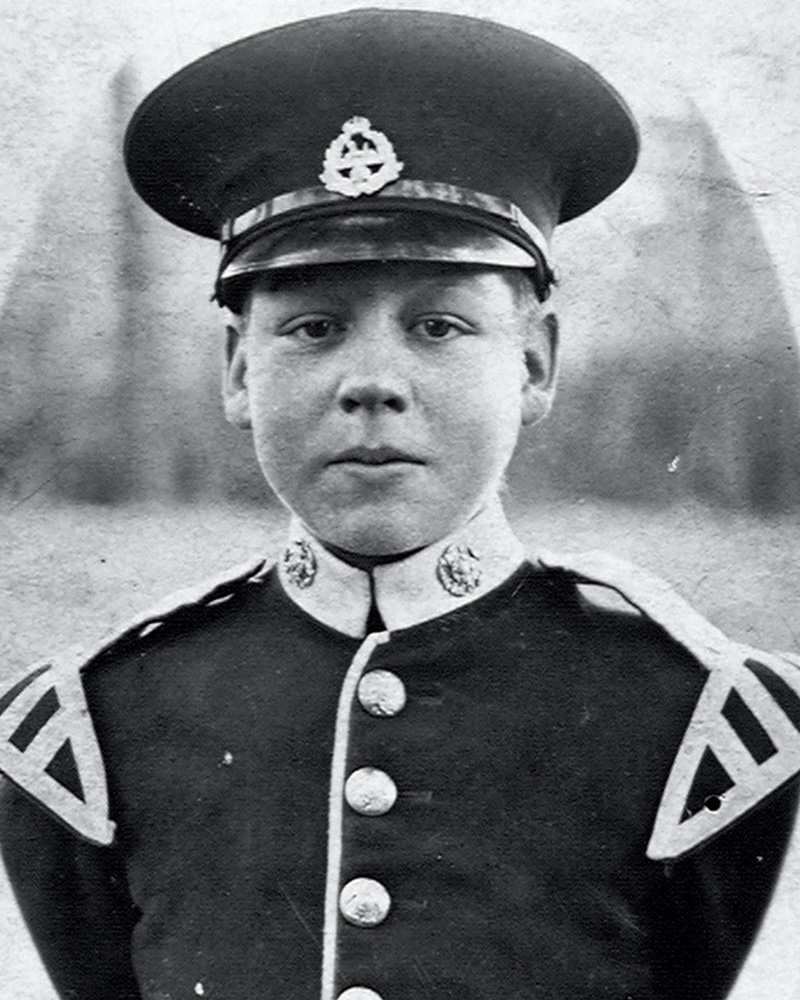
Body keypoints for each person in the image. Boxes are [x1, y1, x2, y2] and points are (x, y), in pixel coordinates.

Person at [1, 9, 799, 1000]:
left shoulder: (709, 736)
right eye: (313, 326)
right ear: (238, 368)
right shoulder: (94, 735)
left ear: (535, 362)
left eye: (437, 324)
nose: (370, 382)